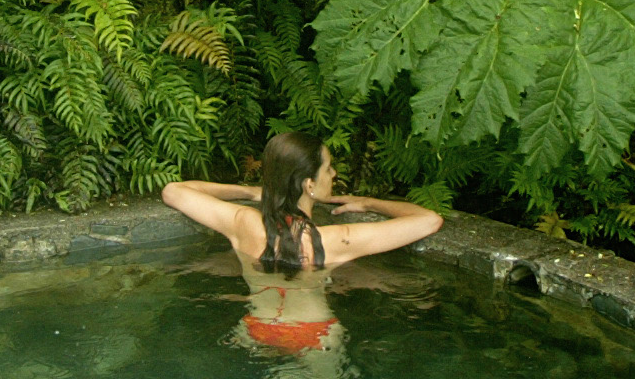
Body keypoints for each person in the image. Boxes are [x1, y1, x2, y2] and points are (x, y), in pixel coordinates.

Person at [161, 131, 443, 355]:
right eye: (329, 168)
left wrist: (252, 192)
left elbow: (174, 191)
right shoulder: (336, 240)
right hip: (313, 333)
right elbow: (429, 220)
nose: (333, 175)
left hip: (257, 327)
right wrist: (369, 203)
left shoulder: (243, 223)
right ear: (309, 184)